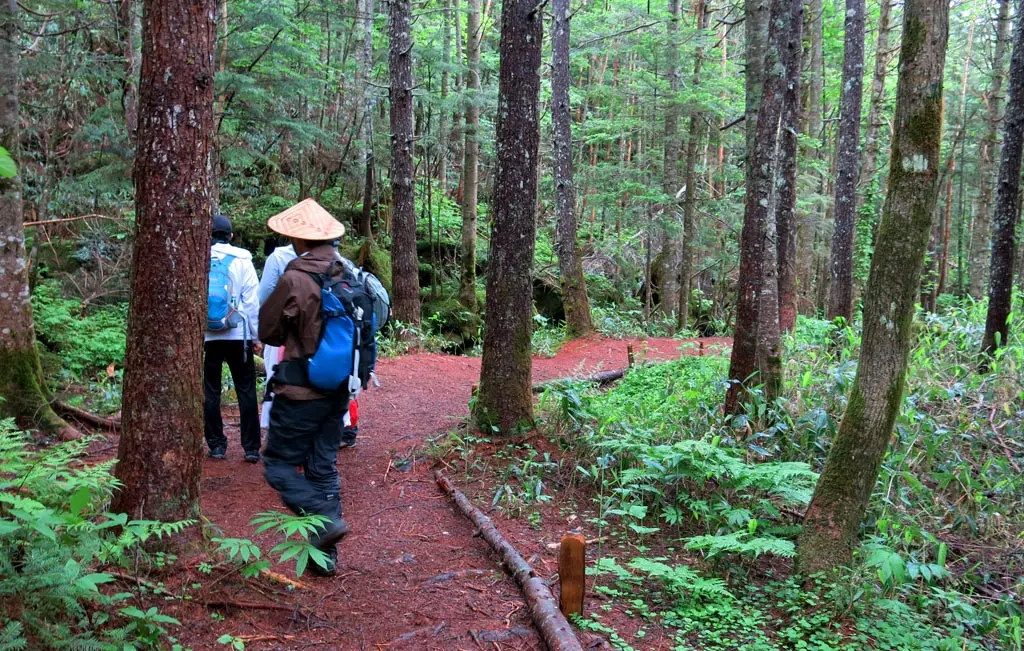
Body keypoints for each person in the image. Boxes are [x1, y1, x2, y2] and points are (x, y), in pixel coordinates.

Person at [259, 199, 352, 577]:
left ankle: (324, 523)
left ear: (298, 239)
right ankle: (324, 559)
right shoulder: (350, 273)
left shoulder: (296, 277)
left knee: (278, 466)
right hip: (340, 391)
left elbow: (268, 331)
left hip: (300, 392)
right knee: (323, 467)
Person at [259, 240, 360, 449]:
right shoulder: (344, 266)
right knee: (323, 460)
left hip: (294, 355)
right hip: (338, 352)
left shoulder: (283, 263)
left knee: (286, 457)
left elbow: (266, 313)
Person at [204, 213, 262, 463]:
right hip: (238, 334)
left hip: (209, 335)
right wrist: (256, 336)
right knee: (246, 390)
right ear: (231, 236)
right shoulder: (243, 259)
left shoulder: (200, 257)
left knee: (211, 390)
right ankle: (250, 448)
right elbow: (251, 301)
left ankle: (217, 445)